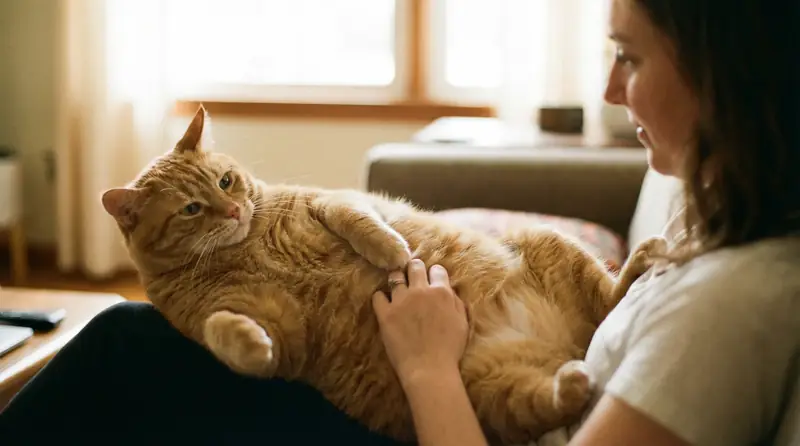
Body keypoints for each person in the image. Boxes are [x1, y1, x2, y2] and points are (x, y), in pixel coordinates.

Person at [2, 0, 799, 444]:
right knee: (130, 342)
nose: (608, 92)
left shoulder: (727, 310)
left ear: (723, 75)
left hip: (452, 412)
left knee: (119, 357)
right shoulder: (734, 223)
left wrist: (427, 364)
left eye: (630, 56)